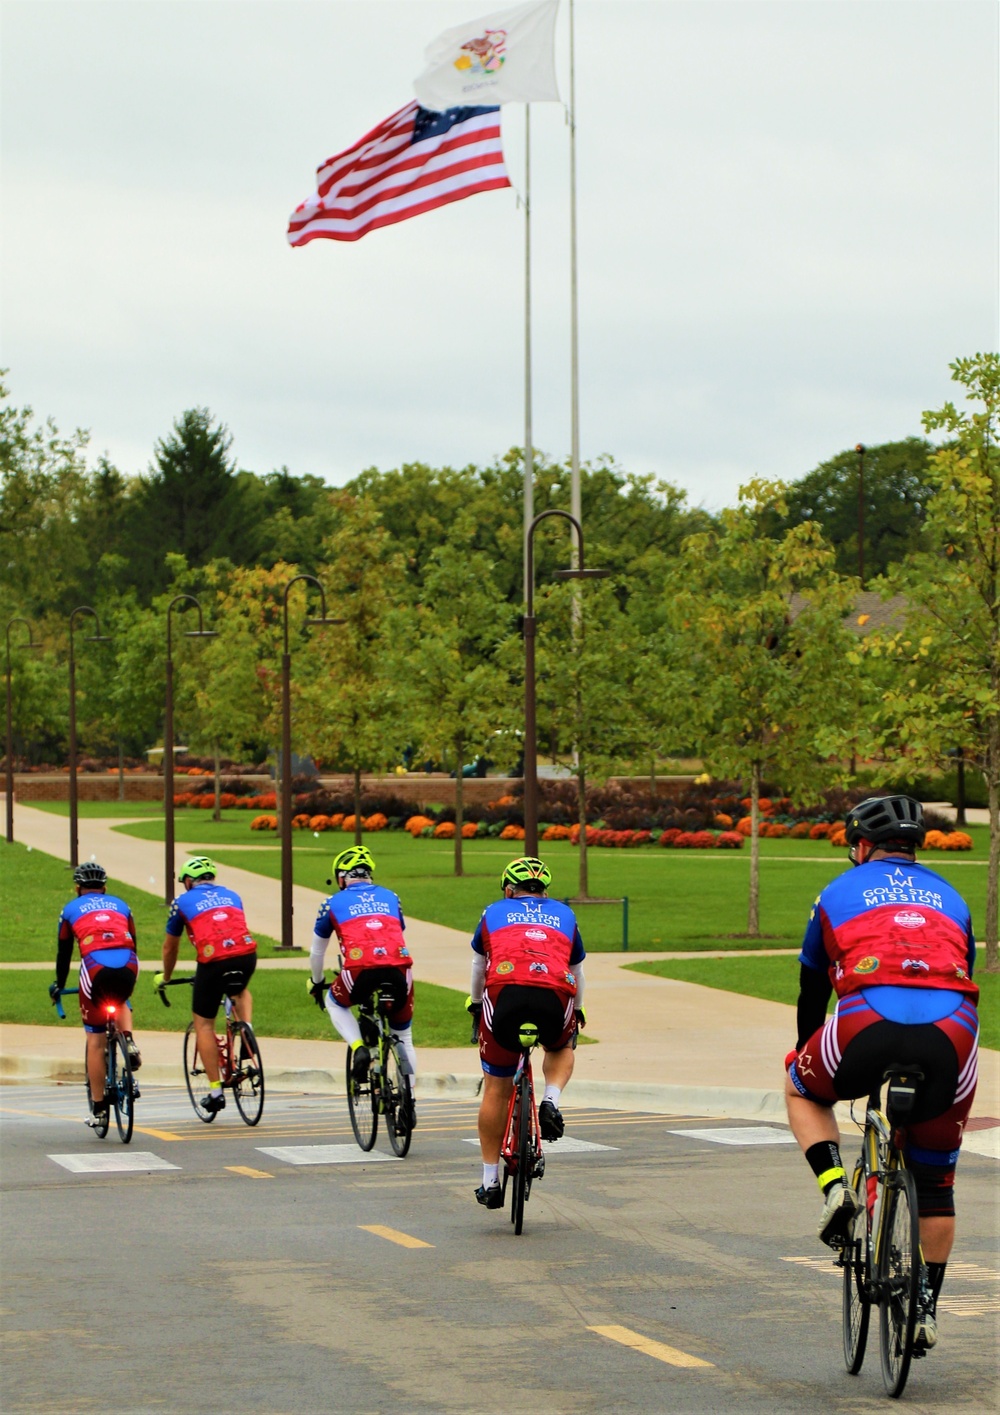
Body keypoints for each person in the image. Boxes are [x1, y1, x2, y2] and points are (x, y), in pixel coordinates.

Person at [784, 795, 979, 1353]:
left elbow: (811, 986)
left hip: (865, 1021)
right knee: (937, 1188)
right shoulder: (953, 895)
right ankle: (924, 1306)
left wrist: (804, 1050)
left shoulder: (836, 892)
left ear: (863, 845)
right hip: (953, 1032)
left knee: (798, 1087)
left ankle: (833, 1188)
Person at [468, 856, 586, 1209]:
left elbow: (478, 967)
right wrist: (576, 1012)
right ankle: (550, 1100)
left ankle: (490, 1181)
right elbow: (578, 973)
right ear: (545, 891)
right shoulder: (566, 915)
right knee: (561, 1044)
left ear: (509, 889)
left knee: (496, 1087)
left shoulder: (493, 911)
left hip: (505, 995)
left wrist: (476, 1005)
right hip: (554, 995)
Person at [308, 846, 417, 1115]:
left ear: (342, 877)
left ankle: (359, 1048)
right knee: (404, 1035)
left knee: (334, 1002)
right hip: (400, 968)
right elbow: (396, 930)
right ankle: (409, 1103)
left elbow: (317, 951)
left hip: (359, 968)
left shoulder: (331, 902)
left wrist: (317, 981)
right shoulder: (392, 897)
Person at [155, 856, 257, 1116]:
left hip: (213, 961)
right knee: (240, 990)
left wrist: (166, 977)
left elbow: (171, 946)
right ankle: (247, 1032)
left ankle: (215, 1091)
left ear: (188, 882)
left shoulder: (182, 902)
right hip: (246, 956)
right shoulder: (232, 895)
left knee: (204, 1024)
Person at [51, 861, 141, 1129]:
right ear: (104, 888)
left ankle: (100, 1108)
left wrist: (59, 984)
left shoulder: (69, 909)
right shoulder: (121, 904)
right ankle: (130, 1041)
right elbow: (134, 940)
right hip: (128, 963)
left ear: (78, 888)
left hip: (95, 965)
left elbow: (64, 953)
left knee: (95, 1039)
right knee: (121, 999)